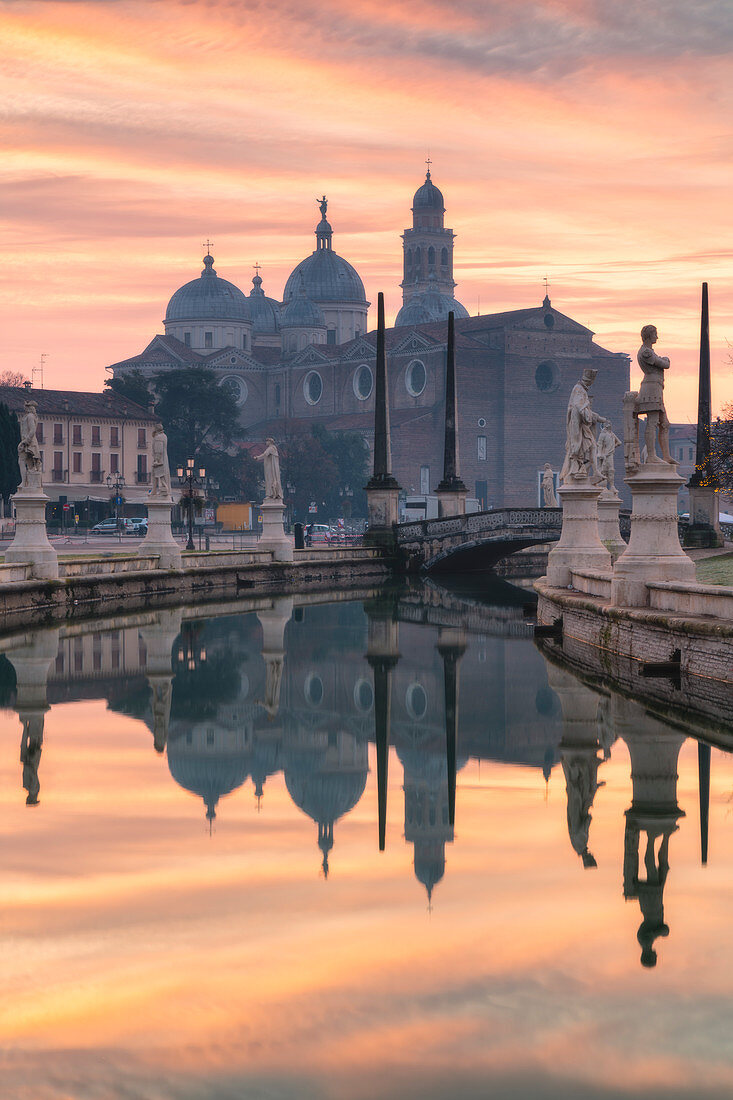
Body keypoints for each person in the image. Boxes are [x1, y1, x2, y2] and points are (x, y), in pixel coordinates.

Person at [560, 369, 608, 483]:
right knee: (584, 447)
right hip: (577, 427)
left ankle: (591, 470)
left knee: (592, 447)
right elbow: (580, 408)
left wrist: (594, 417)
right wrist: (588, 416)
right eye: (590, 383)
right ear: (588, 381)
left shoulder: (581, 390)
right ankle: (578, 469)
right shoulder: (579, 389)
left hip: (581, 426)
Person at [636, 324, 672, 463]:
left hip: (656, 388)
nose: (657, 336)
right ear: (649, 335)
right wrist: (666, 359)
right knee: (652, 421)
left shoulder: (650, 351)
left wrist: (664, 360)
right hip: (650, 389)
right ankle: (651, 456)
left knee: (665, 424)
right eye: (655, 333)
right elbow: (665, 364)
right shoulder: (646, 352)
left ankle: (666, 456)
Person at [17, 400, 42, 491]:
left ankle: (24, 482)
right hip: (28, 442)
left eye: (26, 406)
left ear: (29, 407)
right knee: (29, 463)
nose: (24, 407)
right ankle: (28, 483)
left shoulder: (30, 416)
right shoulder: (28, 416)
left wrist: (25, 442)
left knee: (22, 461)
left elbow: (32, 430)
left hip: (29, 443)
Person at [596, 422, 622, 493]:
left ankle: (612, 486)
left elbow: (619, 442)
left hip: (610, 454)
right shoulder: (603, 434)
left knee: (611, 470)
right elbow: (599, 444)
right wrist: (600, 453)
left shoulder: (612, 434)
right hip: (604, 455)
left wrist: (612, 448)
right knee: (603, 470)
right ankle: (602, 486)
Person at [151, 425, 171, 498]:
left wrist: (156, 460)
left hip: (159, 460)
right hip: (164, 459)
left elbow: (158, 450)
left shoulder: (158, 437)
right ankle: (156, 490)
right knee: (161, 475)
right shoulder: (164, 436)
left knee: (156, 475)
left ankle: (162, 489)